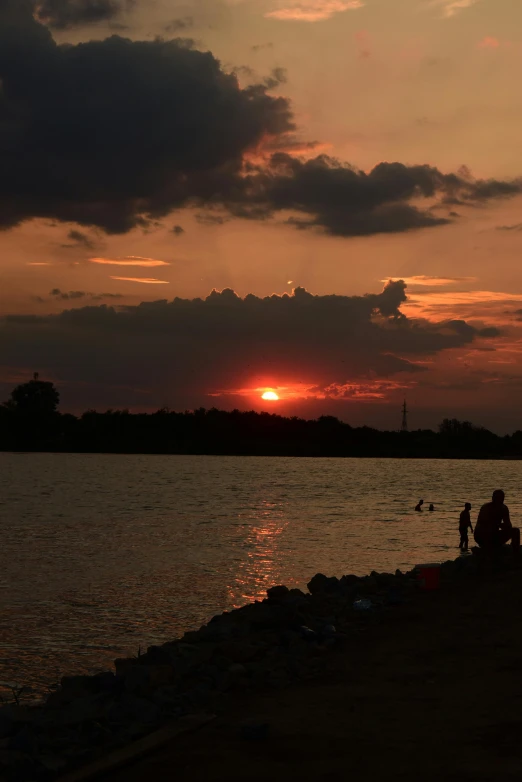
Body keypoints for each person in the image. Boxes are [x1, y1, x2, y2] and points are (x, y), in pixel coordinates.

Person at [474, 490, 520, 555]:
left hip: (494, 535)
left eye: (501, 498)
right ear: (493, 498)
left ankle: (515, 554)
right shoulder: (486, 508)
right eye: (497, 498)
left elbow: (508, 525)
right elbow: (482, 526)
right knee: (488, 531)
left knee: (516, 531)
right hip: (482, 536)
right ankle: (487, 551)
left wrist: (501, 525)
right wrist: (498, 525)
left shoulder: (504, 508)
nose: (499, 500)